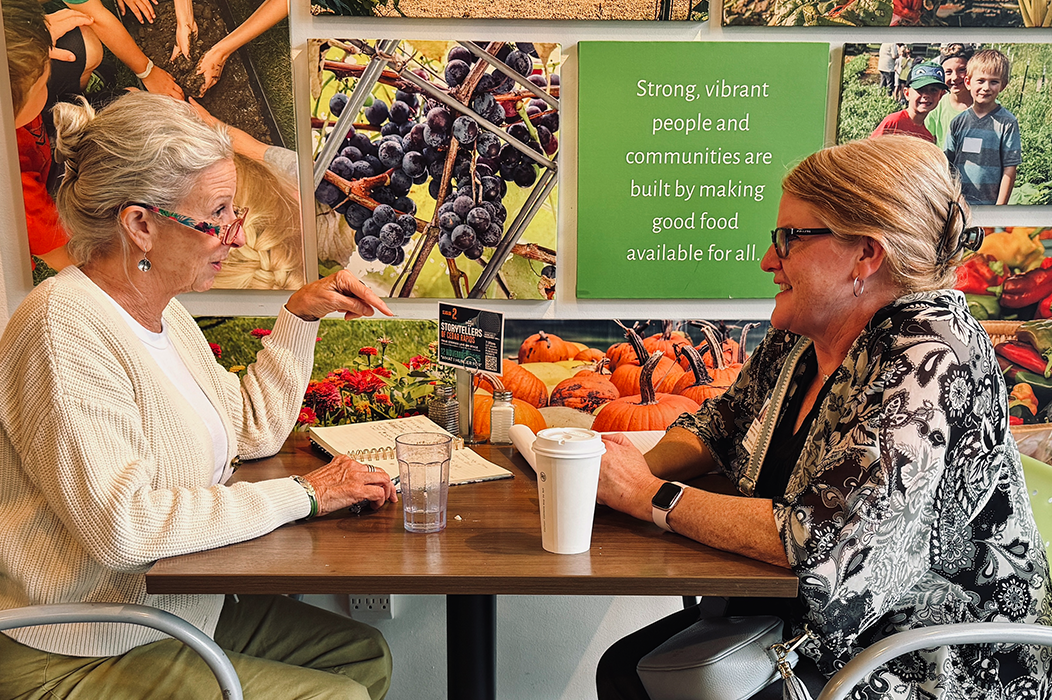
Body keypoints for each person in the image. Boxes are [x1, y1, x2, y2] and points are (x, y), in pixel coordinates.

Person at [594, 136, 1051, 700]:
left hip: (917, 654)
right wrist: (611, 473)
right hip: (811, 618)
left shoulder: (929, 356)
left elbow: (820, 540)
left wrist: (648, 496)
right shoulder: (804, 334)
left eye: (789, 239)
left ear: (866, 253)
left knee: (643, 679)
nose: (768, 260)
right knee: (626, 669)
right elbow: (721, 423)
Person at [0, 91, 397, 700]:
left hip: (171, 609)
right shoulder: (62, 329)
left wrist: (300, 315)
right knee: (334, 696)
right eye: (218, 215)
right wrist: (304, 494)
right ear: (140, 225)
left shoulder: (166, 313)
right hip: (79, 641)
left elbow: (250, 428)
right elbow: (123, 528)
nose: (236, 238)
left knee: (360, 656)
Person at [5, 0, 76, 273]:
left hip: (44, 148)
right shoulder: (15, 193)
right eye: (43, 83)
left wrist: (26, 39)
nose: (48, 81)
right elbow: (68, 259)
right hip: (49, 190)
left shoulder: (15, 110)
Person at [944, 49, 1020, 206]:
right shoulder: (958, 122)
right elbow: (947, 164)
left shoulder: (1007, 123)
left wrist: (999, 208)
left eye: (994, 82)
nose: (986, 87)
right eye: (980, 81)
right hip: (959, 204)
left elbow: (1009, 170)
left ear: (1003, 85)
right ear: (968, 82)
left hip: (990, 204)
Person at [870, 61, 947, 142]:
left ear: (941, 95)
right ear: (907, 93)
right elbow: (868, 149)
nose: (926, 95)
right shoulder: (893, 123)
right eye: (920, 89)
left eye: (933, 90)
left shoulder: (927, 137)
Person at [926, 44, 974, 149]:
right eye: (948, 72)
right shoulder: (936, 105)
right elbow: (928, 144)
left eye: (962, 70)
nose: (955, 77)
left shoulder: (987, 105)